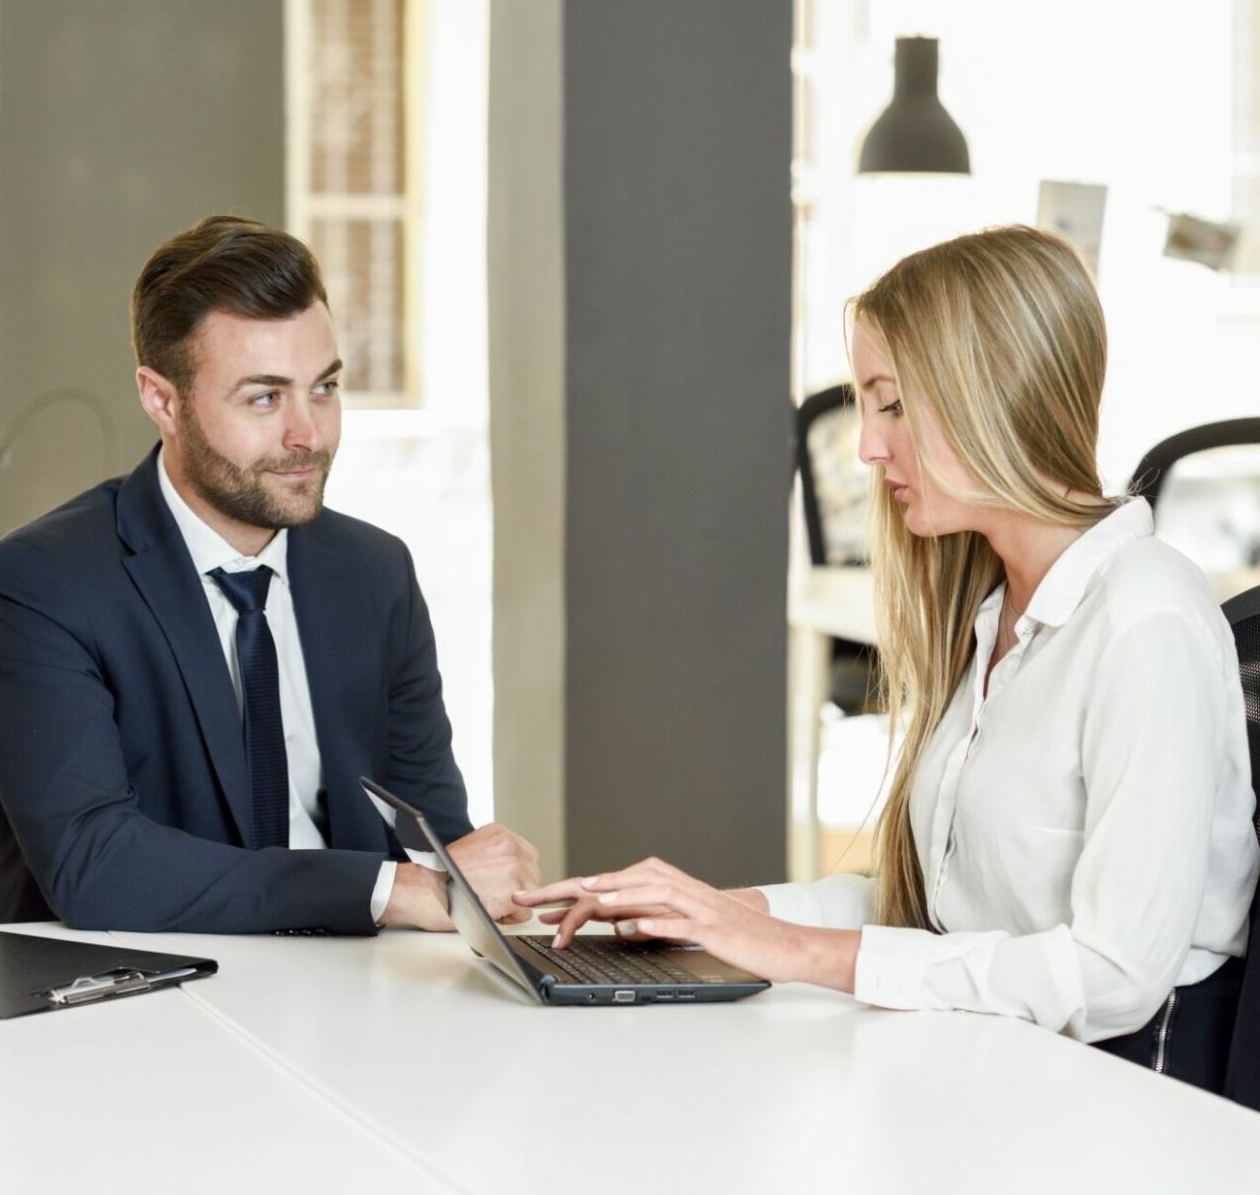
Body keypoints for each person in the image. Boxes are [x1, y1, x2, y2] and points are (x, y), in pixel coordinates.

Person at [516, 225, 1257, 1093]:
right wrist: (717, 914)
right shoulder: (994, 615)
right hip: (1000, 1064)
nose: (867, 448)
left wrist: (793, 951)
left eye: (892, 404)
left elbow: (1114, 974)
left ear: (994, 392)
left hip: (1125, 1091)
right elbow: (951, 915)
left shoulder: (1144, 618)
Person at [0, 214, 538, 934]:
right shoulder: (44, 582)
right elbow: (95, 865)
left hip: (357, 994)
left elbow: (431, 843)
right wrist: (379, 890)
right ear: (162, 401)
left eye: (324, 389)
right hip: (138, 1004)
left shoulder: (373, 573)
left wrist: (479, 880)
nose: (309, 434)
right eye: (265, 398)